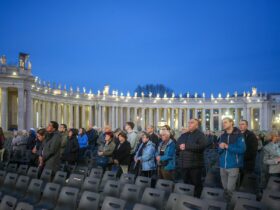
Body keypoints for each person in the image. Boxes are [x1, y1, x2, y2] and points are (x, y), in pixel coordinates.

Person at [177, 118, 208, 197]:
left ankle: (197, 200)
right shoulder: (184, 135)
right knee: (186, 184)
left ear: (197, 126)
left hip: (195, 165)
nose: (189, 124)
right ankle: (188, 198)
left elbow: (202, 146)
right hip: (184, 164)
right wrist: (180, 147)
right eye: (189, 122)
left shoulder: (200, 135)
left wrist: (186, 146)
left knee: (196, 184)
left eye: (192, 123)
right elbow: (177, 144)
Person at [219, 117, 246, 201]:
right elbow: (219, 150)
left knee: (230, 189)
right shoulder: (222, 135)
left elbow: (242, 150)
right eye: (223, 122)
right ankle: (225, 205)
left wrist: (227, 146)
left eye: (226, 122)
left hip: (233, 165)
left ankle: (232, 205)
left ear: (231, 123)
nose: (224, 124)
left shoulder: (239, 135)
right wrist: (220, 147)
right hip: (222, 166)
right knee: (225, 189)